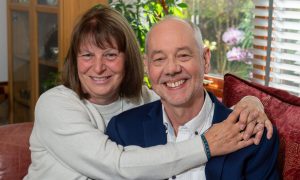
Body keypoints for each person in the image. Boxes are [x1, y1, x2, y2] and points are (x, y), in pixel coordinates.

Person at [25, 5, 273, 180]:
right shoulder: (54, 104)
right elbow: (117, 165)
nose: (98, 67)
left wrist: (252, 103)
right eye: (87, 55)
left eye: (110, 55)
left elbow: (180, 97)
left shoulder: (143, 100)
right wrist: (207, 144)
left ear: (129, 61)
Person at [106, 16, 279, 179]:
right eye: (159, 59)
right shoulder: (123, 132)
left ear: (205, 59)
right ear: (147, 67)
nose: (172, 69)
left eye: (183, 55)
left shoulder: (253, 135)